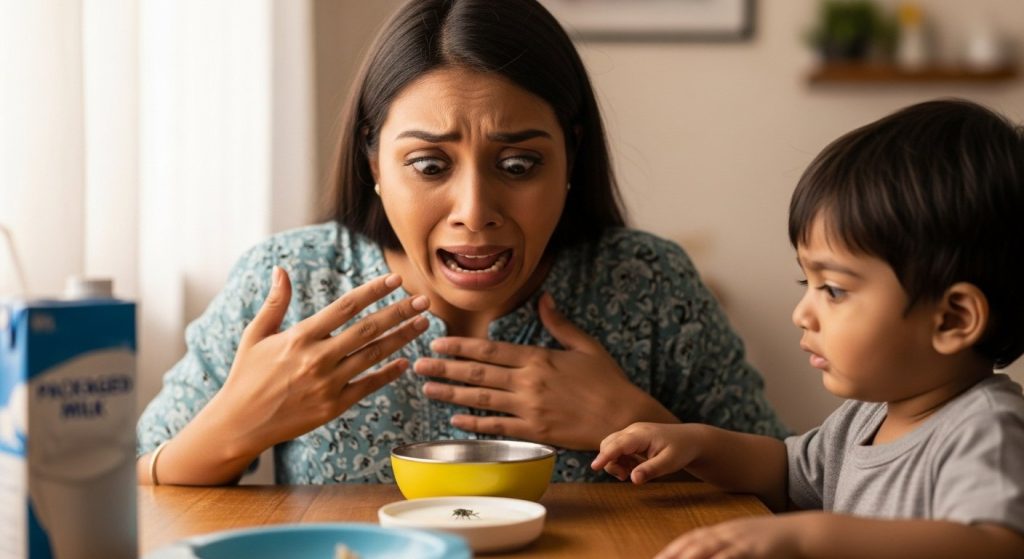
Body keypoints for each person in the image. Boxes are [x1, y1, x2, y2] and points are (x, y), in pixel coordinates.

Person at [136, 0, 786, 486]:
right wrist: (236, 425)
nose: (475, 213)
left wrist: (640, 419)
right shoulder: (293, 281)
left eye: (519, 165)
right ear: (373, 162)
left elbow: (793, 487)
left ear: (571, 156)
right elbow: (140, 480)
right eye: (429, 165)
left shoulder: (648, 282)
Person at [592, 99, 1024, 559]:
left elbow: (996, 544)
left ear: (953, 319)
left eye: (834, 289)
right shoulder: (864, 418)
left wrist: (810, 536)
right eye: (807, 282)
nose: (803, 313)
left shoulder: (986, 430)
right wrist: (697, 444)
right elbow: (783, 472)